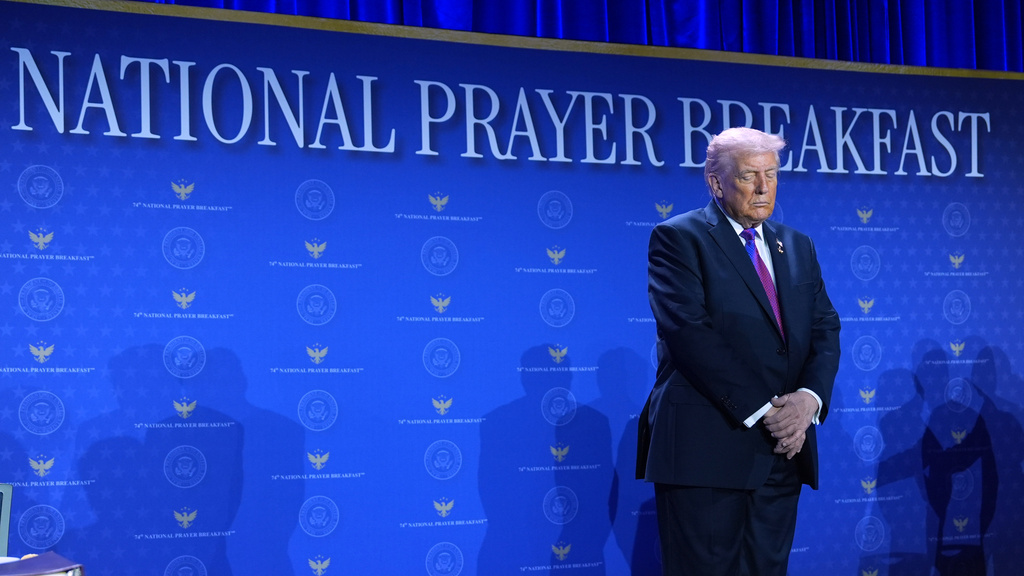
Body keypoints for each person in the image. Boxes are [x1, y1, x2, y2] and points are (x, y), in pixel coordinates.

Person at [636, 127, 841, 575]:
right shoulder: (679, 238)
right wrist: (767, 411)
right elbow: (690, 333)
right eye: (750, 176)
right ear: (716, 182)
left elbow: (824, 327)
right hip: (707, 450)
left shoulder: (797, 245)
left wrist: (808, 400)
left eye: (772, 174)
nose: (764, 188)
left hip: (783, 450)